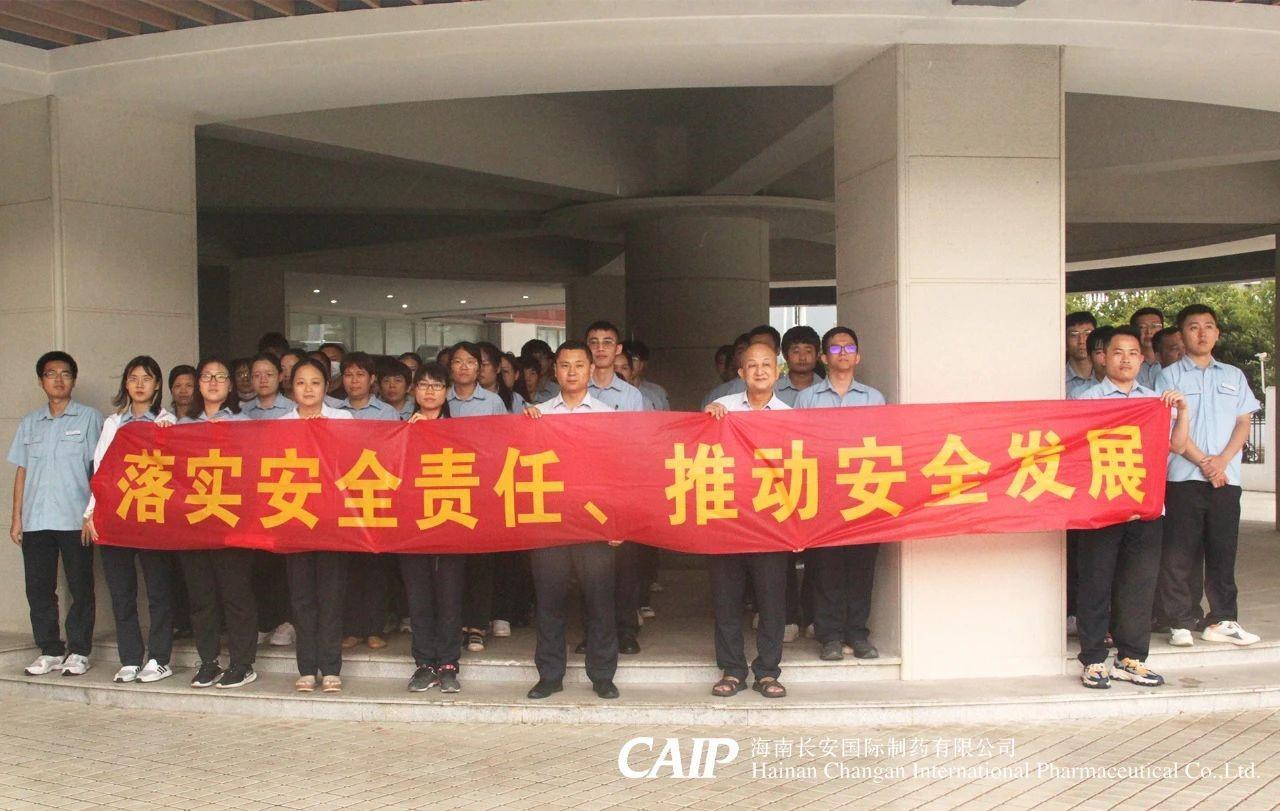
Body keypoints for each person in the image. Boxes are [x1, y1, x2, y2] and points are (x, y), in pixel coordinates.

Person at [1072, 327, 1189, 689]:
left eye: (1133, 353)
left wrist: (1182, 411)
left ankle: (1131, 658)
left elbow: (1177, 447)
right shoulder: (1087, 401)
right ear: (1103, 358)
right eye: (1118, 352)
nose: (1126, 359)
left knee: (1138, 586)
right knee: (1096, 584)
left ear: (1142, 359)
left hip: (1145, 509)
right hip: (1101, 508)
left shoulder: (1156, 401)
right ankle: (1093, 660)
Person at [1155, 304, 1262, 648]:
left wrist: (1222, 461)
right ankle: (1180, 621)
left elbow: (1243, 422)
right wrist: (1205, 462)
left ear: (1217, 333)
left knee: (1222, 551)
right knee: (1180, 553)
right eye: (1193, 327)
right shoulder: (1169, 376)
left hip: (1226, 480)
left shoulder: (1234, 375)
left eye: (1208, 326)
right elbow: (1167, 426)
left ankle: (1222, 619)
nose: (1201, 333)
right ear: (1181, 334)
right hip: (1183, 477)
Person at [522, 341, 621, 700]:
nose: (572, 372)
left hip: (595, 522)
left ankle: (603, 675)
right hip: (550, 522)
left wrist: (617, 522)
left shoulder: (608, 417)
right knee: (549, 603)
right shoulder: (538, 415)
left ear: (592, 370)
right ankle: (550, 675)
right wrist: (524, 428)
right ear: (555, 371)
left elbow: (619, 473)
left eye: (579, 365)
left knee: (599, 602)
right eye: (565, 365)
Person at [794, 327, 888, 661]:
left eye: (849, 348)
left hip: (865, 492)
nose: (843, 353)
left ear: (858, 356)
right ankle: (829, 636)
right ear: (824, 357)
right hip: (824, 494)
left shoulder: (874, 398)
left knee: (862, 568)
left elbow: (884, 443)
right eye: (835, 349)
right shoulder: (808, 398)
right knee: (826, 568)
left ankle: (857, 634)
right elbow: (799, 443)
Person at [704, 342, 792, 699]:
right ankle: (732, 669)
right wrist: (705, 420)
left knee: (772, 602)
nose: (760, 371)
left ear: (777, 371)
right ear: (741, 373)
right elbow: (699, 452)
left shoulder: (790, 416)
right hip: (727, 519)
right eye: (752, 365)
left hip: (771, 523)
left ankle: (768, 671)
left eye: (766, 364)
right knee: (726, 601)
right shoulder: (720, 409)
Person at [8, 351, 103, 678]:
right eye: (51, 374)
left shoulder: (89, 418)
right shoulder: (30, 422)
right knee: (38, 589)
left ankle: (79, 651)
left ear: (73, 380)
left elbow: (99, 470)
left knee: (81, 587)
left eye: (65, 374)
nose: (58, 379)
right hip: (36, 519)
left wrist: (92, 514)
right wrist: (17, 518)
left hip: (76, 519)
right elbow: (22, 471)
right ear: (41, 381)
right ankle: (49, 649)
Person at [84, 356, 177, 684]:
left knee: (158, 591)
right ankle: (130, 658)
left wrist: (166, 436)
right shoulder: (113, 423)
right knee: (121, 591)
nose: (139, 384)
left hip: (152, 516)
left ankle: (160, 658)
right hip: (116, 515)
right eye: (133, 378)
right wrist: (90, 512)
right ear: (126, 383)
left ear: (157, 385)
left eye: (147, 378)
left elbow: (177, 470)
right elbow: (100, 468)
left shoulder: (168, 421)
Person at [177, 357, 257, 689]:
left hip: (231, 520)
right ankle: (208, 661)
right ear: (198, 384)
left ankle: (242, 663)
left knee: (236, 594)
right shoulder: (182, 426)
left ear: (230, 385)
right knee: (201, 597)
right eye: (207, 377)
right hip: (194, 521)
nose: (213, 382)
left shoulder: (245, 423)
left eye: (220, 377)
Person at [280, 357, 353, 693]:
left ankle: (331, 666)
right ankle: (307, 668)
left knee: (332, 596)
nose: (308, 389)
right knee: (302, 598)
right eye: (300, 383)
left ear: (326, 386)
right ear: (290, 387)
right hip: (294, 518)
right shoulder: (280, 425)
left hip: (333, 520)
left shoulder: (343, 419)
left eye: (315, 383)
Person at [400, 362, 466, 694]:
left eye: (437, 385)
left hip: (450, 520)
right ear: (414, 391)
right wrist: (407, 436)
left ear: (447, 392)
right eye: (423, 385)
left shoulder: (458, 430)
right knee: (419, 596)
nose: (429, 391)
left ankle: (449, 663)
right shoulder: (398, 430)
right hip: (412, 525)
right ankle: (425, 663)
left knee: (450, 595)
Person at [585, 322, 647, 655]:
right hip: (585, 488)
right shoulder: (576, 389)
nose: (600, 348)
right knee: (590, 565)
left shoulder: (631, 395)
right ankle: (594, 632)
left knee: (625, 564)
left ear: (618, 349)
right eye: (594, 342)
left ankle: (626, 629)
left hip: (621, 486)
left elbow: (638, 443)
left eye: (607, 342)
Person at [447, 342, 511, 653]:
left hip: (482, 490)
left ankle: (477, 624)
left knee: (481, 562)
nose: (463, 367)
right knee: (452, 562)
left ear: (480, 367)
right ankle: (455, 622)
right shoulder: (439, 398)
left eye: (470, 362)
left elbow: (505, 441)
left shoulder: (493, 401)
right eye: (457, 361)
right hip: (446, 488)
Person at [335, 352, 399, 651]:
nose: (354, 381)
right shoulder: (334, 412)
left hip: (376, 494)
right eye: (349, 375)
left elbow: (395, 453)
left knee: (375, 565)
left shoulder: (387, 413)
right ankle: (352, 629)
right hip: (341, 497)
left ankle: (374, 628)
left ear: (372, 379)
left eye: (360, 374)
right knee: (348, 566)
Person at [241, 353, 296, 648]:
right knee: (257, 563)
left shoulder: (292, 411)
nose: (262, 380)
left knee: (284, 564)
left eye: (269, 374)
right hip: (252, 497)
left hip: (285, 493)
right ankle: (265, 619)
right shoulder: (240, 412)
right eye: (256, 374)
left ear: (281, 377)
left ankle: (287, 620)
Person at [477, 341, 530, 637]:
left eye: (485, 363)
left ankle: (504, 612)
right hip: (472, 484)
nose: (479, 369)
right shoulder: (451, 399)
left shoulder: (515, 400)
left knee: (507, 553)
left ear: (497, 368)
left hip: (507, 481)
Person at [775, 325, 821, 407]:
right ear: (785, 355)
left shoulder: (826, 390)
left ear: (817, 355)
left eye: (808, 351)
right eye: (796, 351)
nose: (802, 357)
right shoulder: (772, 391)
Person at [623, 340, 670, 412]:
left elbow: (667, 417)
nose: (629, 363)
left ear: (642, 364)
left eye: (633, 359)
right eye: (625, 358)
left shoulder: (657, 392)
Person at [1130, 307, 1164, 389]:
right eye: (1142, 327)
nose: (1149, 332)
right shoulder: (1128, 363)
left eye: (1155, 326)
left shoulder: (1173, 360)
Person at [1065, 311, 1097, 398]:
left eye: (1087, 334)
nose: (1081, 341)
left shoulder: (1106, 376)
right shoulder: (1058, 379)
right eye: (1074, 335)